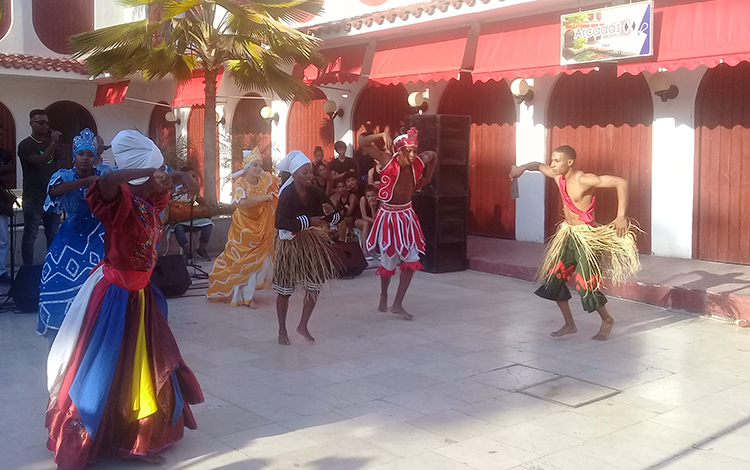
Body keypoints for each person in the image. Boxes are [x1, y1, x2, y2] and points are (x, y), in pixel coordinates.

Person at [45, 130, 203, 469]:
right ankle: (98, 434)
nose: (165, 178)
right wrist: (146, 172)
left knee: (143, 369)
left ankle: (135, 436)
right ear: (144, 175)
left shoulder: (151, 200)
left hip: (141, 295)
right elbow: (109, 180)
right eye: (158, 171)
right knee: (105, 371)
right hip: (117, 297)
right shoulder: (120, 203)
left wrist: (176, 174)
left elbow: (154, 183)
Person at [509, 145, 640, 341]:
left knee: (585, 285)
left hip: (587, 237)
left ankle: (607, 319)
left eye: (557, 161)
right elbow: (537, 166)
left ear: (569, 162)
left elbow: (621, 182)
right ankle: (569, 324)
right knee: (553, 280)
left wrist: (621, 216)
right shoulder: (557, 176)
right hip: (568, 234)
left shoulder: (584, 179)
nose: (552, 164)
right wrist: (522, 168)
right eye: (552, 160)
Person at [37, 129, 112, 348]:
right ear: (74, 156)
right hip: (69, 242)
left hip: (98, 241)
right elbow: (54, 191)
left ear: (95, 156)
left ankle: (97, 335)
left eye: (89, 154)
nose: (86, 158)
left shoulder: (104, 172)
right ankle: (60, 337)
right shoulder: (63, 175)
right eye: (81, 154)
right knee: (52, 282)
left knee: (99, 288)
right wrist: (88, 181)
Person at [359, 128, 436, 320]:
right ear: (399, 150)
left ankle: (397, 304)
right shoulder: (387, 160)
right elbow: (363, 143)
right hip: (389, 217)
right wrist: (380, 136)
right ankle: (384, 293)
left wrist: (428, 177)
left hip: (407, 216)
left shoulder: (418, 161)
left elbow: (433, 155)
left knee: (411, 260)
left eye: (414, 151)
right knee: (388, 262)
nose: (412, 155)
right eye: (408, 151)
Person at [274, 150, 341, 345]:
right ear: (294, 174)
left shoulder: (316, 191)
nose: (310, 176)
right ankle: (282, 330)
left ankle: (303, 324)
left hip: (311, 242)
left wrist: (330, 213)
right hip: (289, 243)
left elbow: (335, 215)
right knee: (284, 290)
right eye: (305, 172)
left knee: (315, 284)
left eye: (310, 172)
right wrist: (306, 221)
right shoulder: (287, 194)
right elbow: (279, 222)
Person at [207, 148, 278, 308]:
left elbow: (279, 184)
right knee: (242, 262)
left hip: (262, 224)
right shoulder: (239, 183)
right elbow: (241, 202)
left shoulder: (266, 179)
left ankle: (247, 294)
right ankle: (244, 297)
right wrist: (264, 197)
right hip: (244, 228)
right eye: (255, 166)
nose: (259, 169)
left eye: (260, 165)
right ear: (247, 168)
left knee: (260, 262)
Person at [18, 109, 62, 265]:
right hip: (33, 196)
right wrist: (54, 142)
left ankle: (51, 266)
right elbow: (40, 162)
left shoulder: (49, 143)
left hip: (51, 195)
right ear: (31, 124)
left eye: (47, 123)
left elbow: (57, 163)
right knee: (31, 235)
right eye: (41, 122)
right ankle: (28, 269)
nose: (45, 126)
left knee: (52, 234)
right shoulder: (25, 145)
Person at [169, 166, 214, 261]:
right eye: (191, 176)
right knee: (178, 228)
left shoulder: (194, 191)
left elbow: (202, 201)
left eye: (194, 177)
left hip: (192, 219)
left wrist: (209, 206)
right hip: (178, 220)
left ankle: (201, 250)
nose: (193, 179)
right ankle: (186, 252)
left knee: (208, 224)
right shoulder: (174, 190)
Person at [0, 123, 15, 283]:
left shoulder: (5, 154)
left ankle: (1, 272)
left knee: (3, 239)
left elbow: (8, 176)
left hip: (1, 199)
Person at [330, 175, 358, 243]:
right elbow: (333, 210)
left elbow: (349, 213)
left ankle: (341, 241)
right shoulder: (337, 197)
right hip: (342, 217)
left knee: (341, 221)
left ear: (347, 187)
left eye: (343, 186)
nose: (341, 189)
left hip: (353, 218)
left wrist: (340, 214)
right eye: (339, 187)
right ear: (337, 189)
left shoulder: (352, 197)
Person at [356, 184, 380, 259]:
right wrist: (375, 222)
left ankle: (379, 248)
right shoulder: (363, 200)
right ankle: (364, 250)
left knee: (381, 224)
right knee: (366, 224)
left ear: (376, 195)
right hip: (359, 220)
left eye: (373, 195)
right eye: (368, 196)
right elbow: (364, 216)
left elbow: (377, 217)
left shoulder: (380, 202)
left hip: (372, 220)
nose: (371, 198)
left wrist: (373, 208)